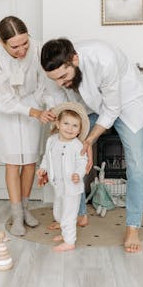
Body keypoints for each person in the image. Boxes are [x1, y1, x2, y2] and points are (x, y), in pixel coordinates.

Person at [40, 38, 143, 253]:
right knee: (73, 151)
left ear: (75, 59)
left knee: (137, 163)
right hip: (90, 106)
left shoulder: (104, 59)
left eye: (63, 76)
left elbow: (112, 108)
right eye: (56, 80)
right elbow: (57, 98)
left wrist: (89, 139)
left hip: (127, 103)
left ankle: (133, 226)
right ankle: (77, 214)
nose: (61, 83)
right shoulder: (60, 72)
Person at [0, 16, 55, 236]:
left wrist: (48, 108)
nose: (22, 50)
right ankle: (16, 216)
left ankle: (26, 210)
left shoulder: (37, 49)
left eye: (25, 43)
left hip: (34, 107)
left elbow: (45, 86)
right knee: (13, 163)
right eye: (15, 46)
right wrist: (32, 112)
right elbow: (4, 100)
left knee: (31, 162)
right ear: (2, 42)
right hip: (8, 115)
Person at [36, 102, 89, 252]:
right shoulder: (51, 141)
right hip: (57, 185)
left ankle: (70, 241)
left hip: (72, 188)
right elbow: (47, 157)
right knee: (58, 211)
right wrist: (42, 168)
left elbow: (82, 162)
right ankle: (65, 233)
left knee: (69, 215)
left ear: (79, 130)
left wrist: (78, 174)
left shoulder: (77, 145)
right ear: (58, 124)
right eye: (66, 123)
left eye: (74, 126)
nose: (70, 128)